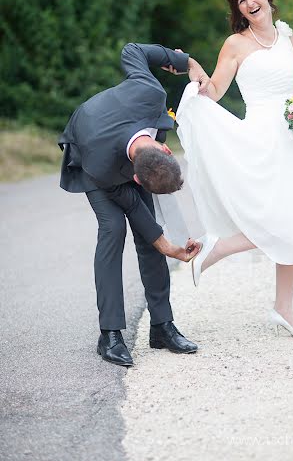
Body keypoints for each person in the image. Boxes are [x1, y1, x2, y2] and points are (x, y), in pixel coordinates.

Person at [176, 0, 293, 338]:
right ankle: (218, 248)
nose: (250, 3)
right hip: (260, 138)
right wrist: (194, 70)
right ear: (238, 10)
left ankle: (283, 309)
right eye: (242, 0)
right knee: (279, 218)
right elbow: (216, 91)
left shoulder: (290, 39)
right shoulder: (236, 43)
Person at [59, 43, 209, 366]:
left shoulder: (150, 91)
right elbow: (132, 206)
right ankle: (109, 335)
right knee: (113, 229)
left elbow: (131, 51)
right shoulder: (103, 166)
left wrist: (185, 62)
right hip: (91, 152)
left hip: (118, 140)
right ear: (137, 180)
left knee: (147, 237)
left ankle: (162, 326)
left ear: (165, 150)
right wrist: (167, 245)